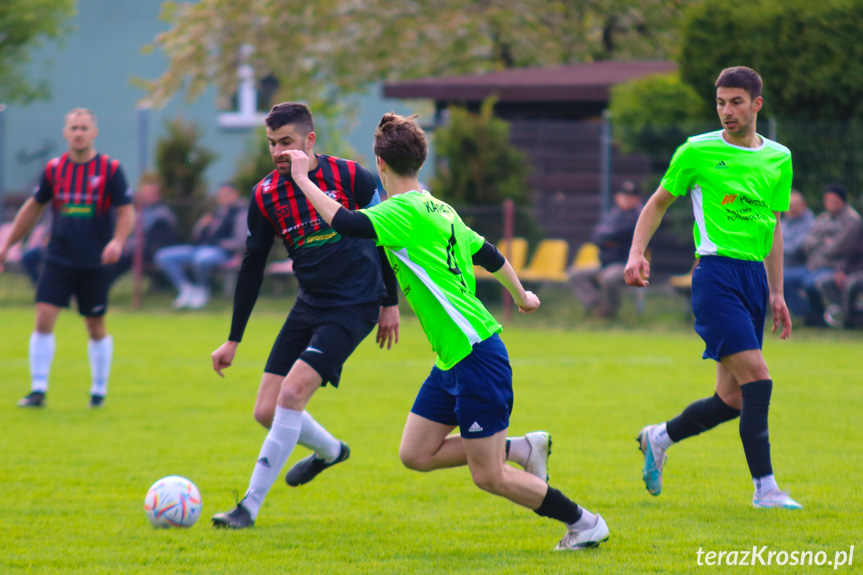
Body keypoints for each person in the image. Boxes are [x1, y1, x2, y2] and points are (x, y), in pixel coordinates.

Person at [286, 112, 609, 551]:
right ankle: (522, 449)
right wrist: (522, 295)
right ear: (419, 162)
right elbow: (491, 254)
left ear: (381, 165)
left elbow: (344, 223)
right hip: (454, 358)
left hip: (475, 354)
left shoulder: (400, 211)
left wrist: (304, 179)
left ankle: (584, 522)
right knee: (415, 454)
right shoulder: (439, 207)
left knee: (489, 476)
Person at [208, 102, 402, 529]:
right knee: (265, 410)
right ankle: (331, 450)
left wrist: (390, 301)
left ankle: (248, 508)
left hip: (354, 305)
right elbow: (252, 266)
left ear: (309, 140)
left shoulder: (351, 177)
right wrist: (233, 339)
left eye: (287, 142)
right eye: (272, 144)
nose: (279, 151)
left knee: (291, 395)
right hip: (309, 303)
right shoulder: (264, 195)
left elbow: (387, 238)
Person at [624, 66, 801, 509]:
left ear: (757, 104)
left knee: (733, 398)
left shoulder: (778, 157)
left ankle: (658, 437)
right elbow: (658, 201)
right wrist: (636, 252)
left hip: (754, 281)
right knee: (759, 380)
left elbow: (773, 226)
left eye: (736, 102)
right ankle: (766, 490)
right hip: (716, 276)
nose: (727, 111)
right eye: (721, 102)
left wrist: (776, 291)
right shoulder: (697, 151)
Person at [0, 108, 135, 408]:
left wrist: (117, 241)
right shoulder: (54, 169)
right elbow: (33, 208)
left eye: (84, 127)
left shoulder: (110, 170)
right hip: (58, 258)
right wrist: (8, 243)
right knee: (43, 318)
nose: (78, 133)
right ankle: (38, 389)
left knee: (95, 325)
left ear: (94, 132)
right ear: (65, 133)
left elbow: (127, 211)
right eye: (73, 127)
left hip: (95, 261)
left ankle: (98, 392)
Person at [153, 182, 247, 309]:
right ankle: (186, 289)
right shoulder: (215, 212)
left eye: (226, 194)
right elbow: (196, 237)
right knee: (163, 256)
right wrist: (201, 225)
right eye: (220, 195)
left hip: (222, 252)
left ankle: (203, 290)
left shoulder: (240, 214)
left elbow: (240, 242)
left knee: (202, 258)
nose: (222, 197)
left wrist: (219, 243)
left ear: (235, 194)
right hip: (200, 248)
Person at [782, 183, 862, 325]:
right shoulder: (823, 217)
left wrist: (821, 245)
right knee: (781, 280)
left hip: (834, 267)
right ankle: (808, 313)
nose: (830, 204)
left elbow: (838, 247)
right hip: (812, 266)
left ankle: (818, 316)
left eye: (834, 200)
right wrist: (823, 242)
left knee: (810, 284)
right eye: (827, 200)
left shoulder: (852, 220)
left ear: (842, 201)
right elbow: (807, 243)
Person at [568, 180, 642, 318]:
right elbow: (596, 235)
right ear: (617, 197)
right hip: (604, 263)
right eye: (624, 195)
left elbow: (622, 233)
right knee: (575, 274)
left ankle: (611, 311)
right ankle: (597, 305)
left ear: (637, 199)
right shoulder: (612, 215)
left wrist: (609, 237)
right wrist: (610, 238)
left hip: (625, 265)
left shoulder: (639, 216)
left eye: (630, 196)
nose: (626, 198)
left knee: (608, 278)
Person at [107, 174, 179, 284]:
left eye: (149, 194)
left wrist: (130, 245)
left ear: (157, 195)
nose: (145, 196)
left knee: (121, 259)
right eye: (144, 193)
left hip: (151, 250)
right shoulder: (141, 210)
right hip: (134, 247)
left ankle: (101, 284)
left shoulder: (162, 214)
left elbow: (154, 238)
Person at [781, 189, 814, 268]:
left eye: (796, 205)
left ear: (804, 205)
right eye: (790, 205)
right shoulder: (782, 223)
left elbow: (795, 249)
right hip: (784, 266)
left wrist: (776, 248)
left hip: (802, 267)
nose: (793, 208)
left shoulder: (810, 223)